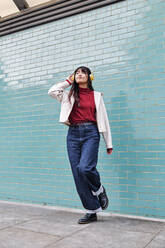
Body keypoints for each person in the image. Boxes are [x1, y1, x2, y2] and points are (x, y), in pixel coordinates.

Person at [48, 66, 113, 224]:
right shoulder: (68, 95)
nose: (79, 74)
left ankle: (99, 189)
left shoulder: (96, 96)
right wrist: (67, 81)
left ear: (89, 77)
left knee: (85, 167)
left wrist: (108, 143)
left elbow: (104, 119)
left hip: (91, 132)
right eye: (77, 73)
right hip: (73, 134)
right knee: (78, 174)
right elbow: (52, 91)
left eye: (83, 72)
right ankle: (91, 210)